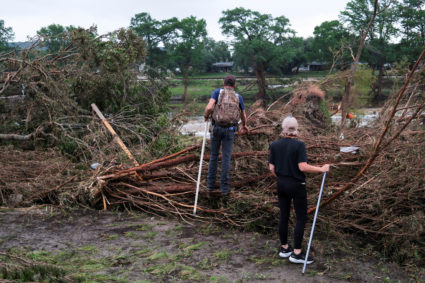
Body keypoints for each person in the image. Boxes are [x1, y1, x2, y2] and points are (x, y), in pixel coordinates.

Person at [268, 116, 329, 264]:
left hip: (281, 184)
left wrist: (282, 176)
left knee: (284, 215)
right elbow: (302, 166)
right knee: (301, 218)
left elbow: (271, 168)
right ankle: (296, 253)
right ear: (296, 130)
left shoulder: (274, 145)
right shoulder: (299, 145)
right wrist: (321, 169)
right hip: (296, 185)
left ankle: (284, 248)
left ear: (283, 129)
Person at [204, 75, 249, 197]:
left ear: (224, 83)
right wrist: (244, 126)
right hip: (230, 130)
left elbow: (209, 107)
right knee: (226, 158)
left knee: (213, 156)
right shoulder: (238, 96)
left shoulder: (217, 92)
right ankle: (224, 189)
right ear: (234, 85)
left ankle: (210, 185)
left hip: (216, 128)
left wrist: (206, 116)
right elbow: (243, 115)